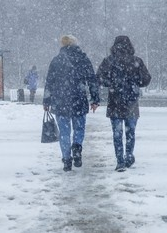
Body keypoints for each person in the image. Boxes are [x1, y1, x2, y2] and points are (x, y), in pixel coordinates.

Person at [43, 35, 100, 171]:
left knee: (64, 131)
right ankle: (77, 146)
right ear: (76, 44)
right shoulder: (83, 59)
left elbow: (49, 82)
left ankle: (67, 159)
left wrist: (46, 101)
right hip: (79, 99)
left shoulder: (56, 61)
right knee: (79, 128)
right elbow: (92, 80)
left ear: (62, 45)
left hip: (60, 100)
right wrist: (95, 99)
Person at [96, 35, 151, 172]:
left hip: (115, 100)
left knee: (117, 132)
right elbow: (146, 79)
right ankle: (129, 155)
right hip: (131, 100)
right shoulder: (136, 61)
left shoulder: (109, 61)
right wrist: (135, 82)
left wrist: (111, 83)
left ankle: (120, 160)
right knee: (130, 131)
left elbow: (99, 78)